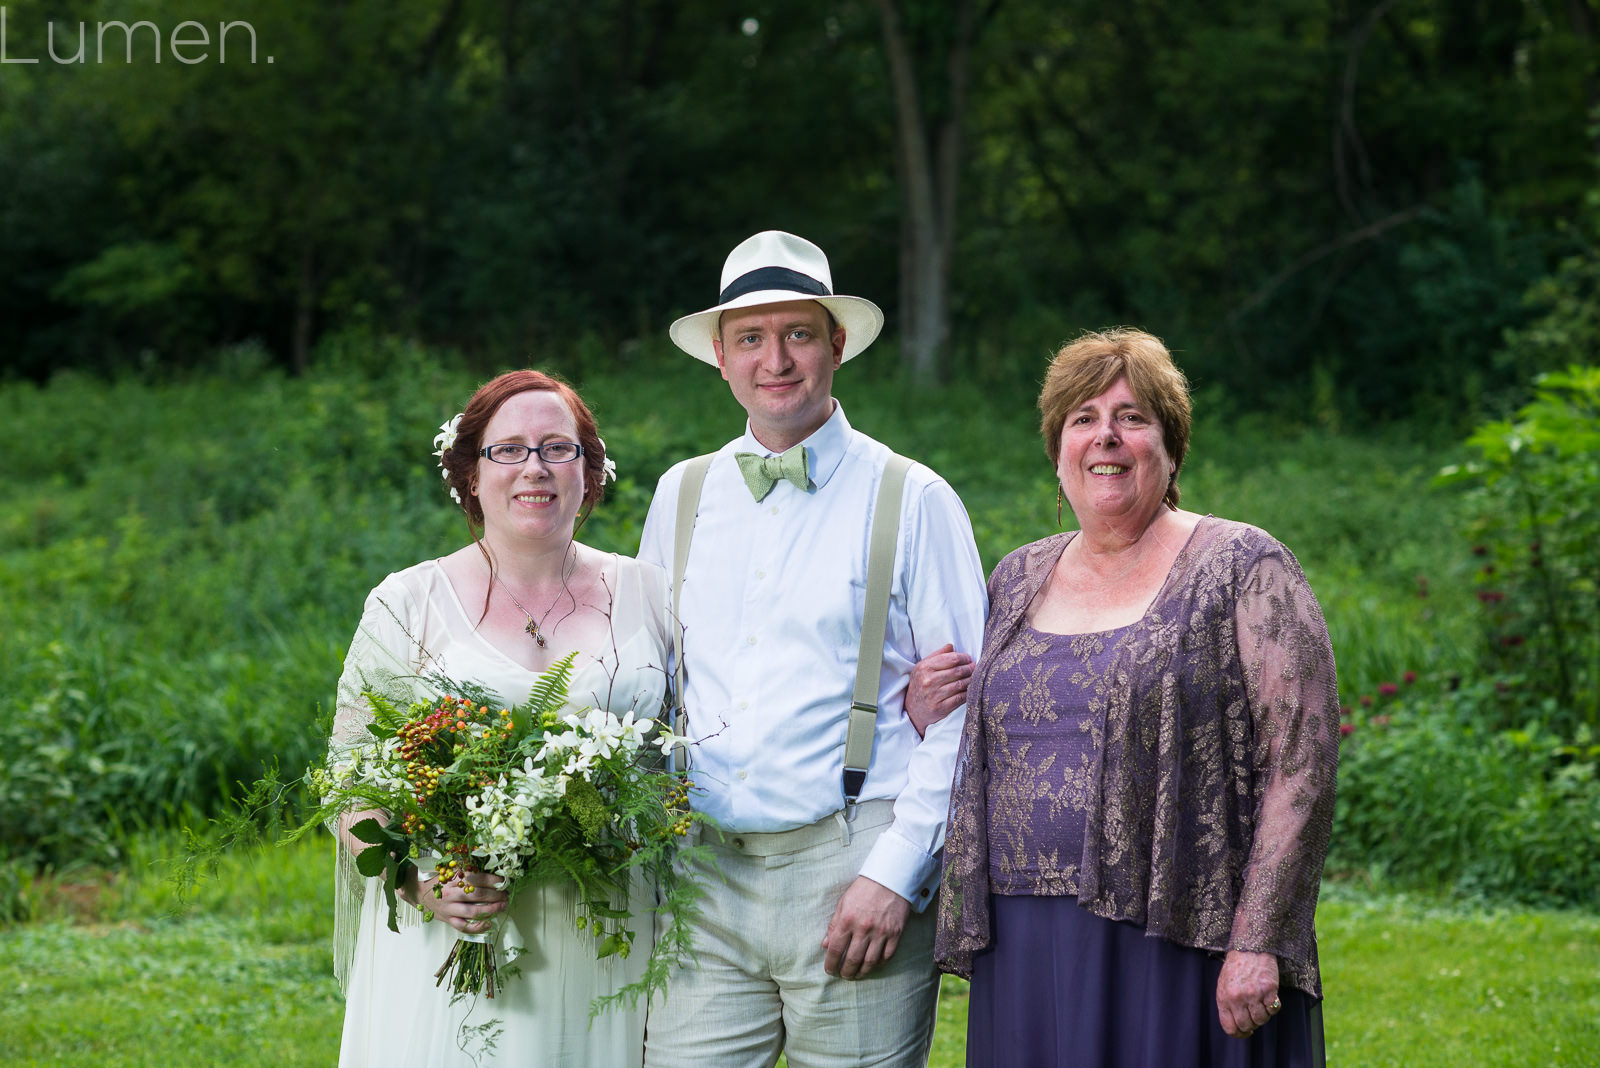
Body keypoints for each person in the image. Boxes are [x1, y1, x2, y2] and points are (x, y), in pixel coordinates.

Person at [933, 328, 1340, 1067]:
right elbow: (988, 726)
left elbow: (1303, 764)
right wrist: (928, 701)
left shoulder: (1243, 565)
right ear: (1058, 452)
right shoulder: (1017, 576)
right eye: (1082, 419)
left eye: (1131, 417)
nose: (1105, 438)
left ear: (1171, 444)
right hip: (1024, 937)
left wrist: (1259, 939)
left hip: (1179, 930)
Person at [637, 230, 988, 1068]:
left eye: (798, 333)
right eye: (751, 339)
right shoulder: (681, 493)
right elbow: (648, 681)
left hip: (852, 861)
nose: (776, 360)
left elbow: (969, 714)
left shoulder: (913, 496)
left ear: (836, 344)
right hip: (701, 876)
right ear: (720, 357)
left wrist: (895, 874)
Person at [329, 370, 667, 1066]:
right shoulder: (408, 602)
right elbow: (352, 778)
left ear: (589, 469)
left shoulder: (649, 591)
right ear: (470, 474)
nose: (534, 468)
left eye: (557, 448)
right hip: (460, 922)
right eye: (508, 450)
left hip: (610, 926)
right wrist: (419, 886)